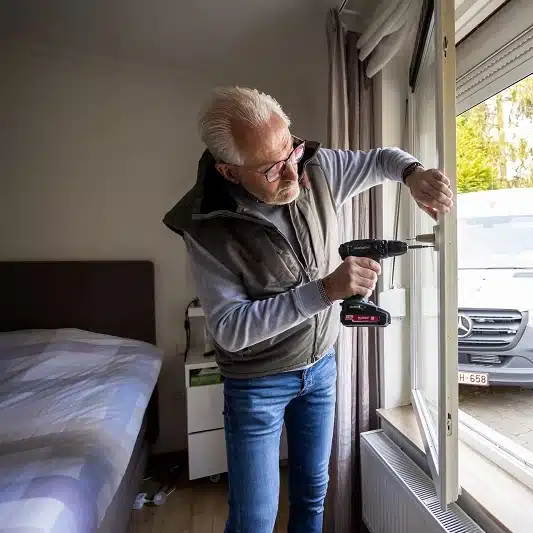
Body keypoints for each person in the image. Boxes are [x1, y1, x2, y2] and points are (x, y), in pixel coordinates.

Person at [163, 86, 453, 533]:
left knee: (312, 495)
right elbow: (229, 330)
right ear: (230, 171)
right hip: (256, 383)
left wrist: (412, 173)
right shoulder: (206, 227)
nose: (291, 172)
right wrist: (326, 291)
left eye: (291, 150)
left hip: (321, 368)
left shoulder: (315, 168)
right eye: (272, 168)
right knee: (254, 519)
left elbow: (381, 159)